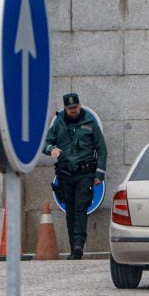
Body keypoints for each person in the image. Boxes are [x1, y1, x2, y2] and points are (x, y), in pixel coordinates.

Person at [42, 92, 107, 259]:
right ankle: (73, 248)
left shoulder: (89, 122)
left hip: (85, 173)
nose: (73, 110)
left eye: (75, 107)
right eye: (70, 108)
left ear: (79, 105)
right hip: (65, 174)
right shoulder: (58, 123)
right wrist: (51, 149)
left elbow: (101, 149)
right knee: (70, 210)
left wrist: (100, 174)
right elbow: (45, 143)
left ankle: (79, 246)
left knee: (80, 208)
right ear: (65, 108)